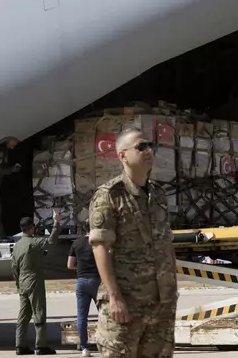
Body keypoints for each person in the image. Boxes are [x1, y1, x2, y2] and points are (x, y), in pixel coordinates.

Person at [88, 127, 178, 358]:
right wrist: (114, 297)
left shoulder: (158, 195)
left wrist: (171, 293)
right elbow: (100, 247)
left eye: (150, 146)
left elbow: (165, 245)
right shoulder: (109, 195)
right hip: (126, 305)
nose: (148, 150)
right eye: (141, 147)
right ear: (122, 155)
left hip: (161, 305)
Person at [12, 212, 61, 355]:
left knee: (23, 314)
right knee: (38, 311)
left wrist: (18, 284)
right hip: (34, 280)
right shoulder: (34, 242)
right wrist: (56, 223)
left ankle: (19, 344)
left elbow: (14, 267)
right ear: (31, 228)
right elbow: (51, 242)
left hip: (22, 282)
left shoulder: (17, 246)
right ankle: (41, 345)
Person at [68, 224, 101, 357]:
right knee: (104, 314)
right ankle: (105, 342)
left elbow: (70, 265)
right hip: (96, 280)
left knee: (82, 316)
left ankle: (84, 347)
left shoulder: (76, 243)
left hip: (81, 280)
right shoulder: (98, 242)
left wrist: (80, 266)